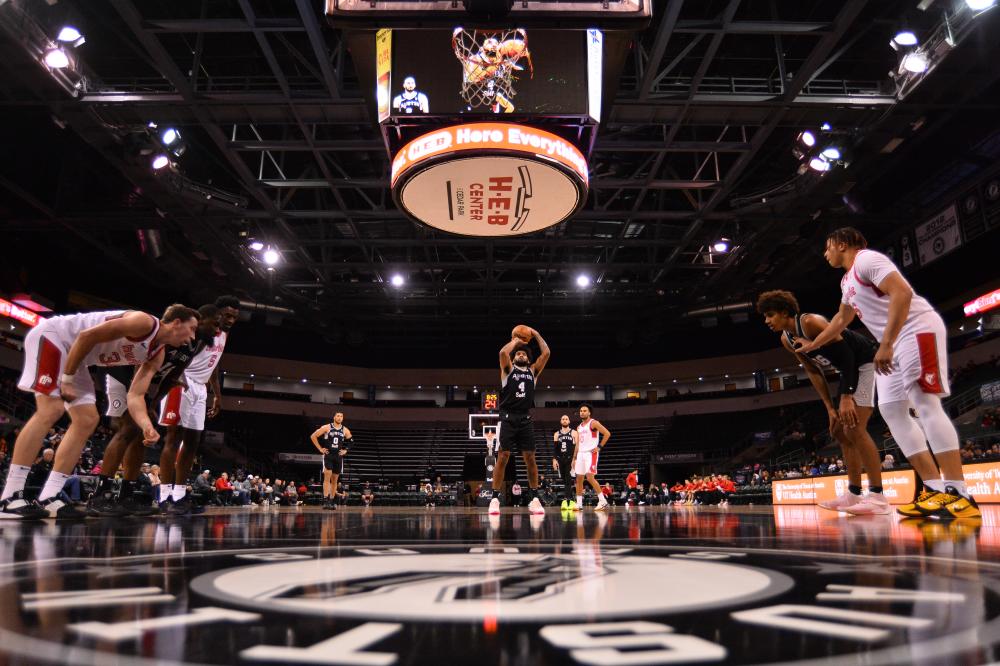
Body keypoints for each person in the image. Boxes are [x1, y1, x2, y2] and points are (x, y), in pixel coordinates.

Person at [797, 227, 979, 520]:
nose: (825, 253)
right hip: (893, 341)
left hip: (914, 330)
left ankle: (959, 494)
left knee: (925, 403)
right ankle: (933, 489)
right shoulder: (847, 280)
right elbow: (842, 319)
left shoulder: (868, 260)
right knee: (892, 410)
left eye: (827, 247)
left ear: (842, 244)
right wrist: (813, 345)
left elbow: (903, 292)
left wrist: (887, 343)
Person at [1, 304, 198, 519]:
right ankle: (10, 497)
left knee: (87, 419)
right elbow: (86, 336)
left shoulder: (157, 354)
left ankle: (50, 496)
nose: (193, 336)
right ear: (176, 322)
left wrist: (146, 425)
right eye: (192, 328)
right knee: (51, 409)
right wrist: (66, 379)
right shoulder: (144, 322)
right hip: (54, 337)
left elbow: (135, 395)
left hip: (78, 357)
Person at [757, 289, 888, 515]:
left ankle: (878, 496)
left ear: (784, 312)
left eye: (770, 315)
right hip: (847, 371)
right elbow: (814, 371)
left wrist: (846, 396)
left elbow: (847, 355)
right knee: (839, 432)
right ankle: (853, 494)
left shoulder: (810, 322)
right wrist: (829, 407)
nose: (767, 321)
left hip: (865, 362)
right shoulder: (786, 339)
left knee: (855, 428)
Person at [87, 304, 221, 517]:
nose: (217, 330)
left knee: (139, 433)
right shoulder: (160, 335)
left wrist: (151, 405)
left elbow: (169, 379)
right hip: (119, 375)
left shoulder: (190, 346)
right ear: (199, 321)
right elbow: (137, 368)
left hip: (142, 386)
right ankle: (100, 494)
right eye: (213, 324)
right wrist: (139, 406)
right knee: (129, 428)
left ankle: (126, 494)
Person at [158, 296, 240, 516]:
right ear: (217, 313)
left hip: (201, 388)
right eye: (228, 315)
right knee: (173, 438)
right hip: (182, 382)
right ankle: (165, 496)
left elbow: (214, 363)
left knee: (193, 442)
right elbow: (179, 357)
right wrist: (175, 379)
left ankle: (179, 495)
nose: (231, 320)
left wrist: (217, 393)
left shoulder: (222, 334)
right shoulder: (200, 332)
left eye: (235, 317)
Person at [488, 326, 551, 516]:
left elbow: (546, 352)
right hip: (507, 417)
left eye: (524, 353)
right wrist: (516, 340)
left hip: (525, 417)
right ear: (514, 357)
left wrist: (536, 334)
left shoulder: (533, 371)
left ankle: (534, 498)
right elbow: (502, 352)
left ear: (528, 358)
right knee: (503, 456)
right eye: (518, 354)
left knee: (530, 458)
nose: (521, 355)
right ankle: (494, 498)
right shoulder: (507, 369)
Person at [571, 404, 611, 512]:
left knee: (589, 477)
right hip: (580, 454)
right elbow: (578, 443)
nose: (582, 412)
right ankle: (579, 504)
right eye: (581, 411)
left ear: (589, 413)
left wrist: (599, 447)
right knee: (578, 479)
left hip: (590, 453)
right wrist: (574, 458)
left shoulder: (594, 423)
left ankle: (603, 501)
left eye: (585, 410)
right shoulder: (579, 427)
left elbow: (607, 433)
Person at [310, 412, 352, 510]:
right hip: (329, 455)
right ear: (334, 417)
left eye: (341, 416)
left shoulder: (345, 430)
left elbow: (351, 441)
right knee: (327, 477)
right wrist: (320, 449)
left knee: (335, 481)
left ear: (343, 418)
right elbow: (313, 436)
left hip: (338, 456)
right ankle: (325, 500)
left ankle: (331, 501)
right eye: (338, 416)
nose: (339, 417)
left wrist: (346, 450)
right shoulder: (327, 427)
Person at [552, 414, 577, 510]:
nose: (565, 420)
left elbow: (576, 447)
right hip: (560, 458)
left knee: (568, 479)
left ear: (569, 421)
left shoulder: (574, 433)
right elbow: (555, 449)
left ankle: (568, 500)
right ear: (561, 421)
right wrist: (554, 459)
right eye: (563, 419)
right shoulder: (556, 434)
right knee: (564, 479)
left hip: (570, 458)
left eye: (566, 419)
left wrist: (575, 459)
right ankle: (571, 498)